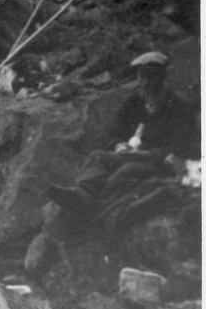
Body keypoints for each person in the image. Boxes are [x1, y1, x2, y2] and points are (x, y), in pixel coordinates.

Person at [48, 51, 199, 213]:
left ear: (162, 78)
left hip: (159, 163)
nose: (145, 83)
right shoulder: (134, 102)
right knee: (97, 156)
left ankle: (97, 208)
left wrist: (146, 154)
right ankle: (81, 193)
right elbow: (116, 131)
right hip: (129, 153)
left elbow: (181, 147)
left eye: (151, 77)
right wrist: (119, 145)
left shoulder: (180, 106)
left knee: (127, 171)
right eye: (142, 77)